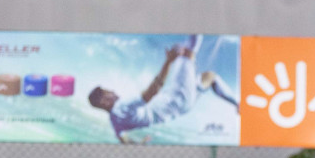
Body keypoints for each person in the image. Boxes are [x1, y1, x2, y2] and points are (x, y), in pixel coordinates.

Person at [87, 38, 238, 144]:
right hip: (177, 98)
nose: (113, 91)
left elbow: (123, 140)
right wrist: (168, 62)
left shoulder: (114, 121)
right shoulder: (122, 106)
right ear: (104, 101)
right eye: (109, 92)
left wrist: (138, 144)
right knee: (187, 52)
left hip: (182, 108)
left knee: (210, 77)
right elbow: (153, 91)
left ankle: (238, 104)